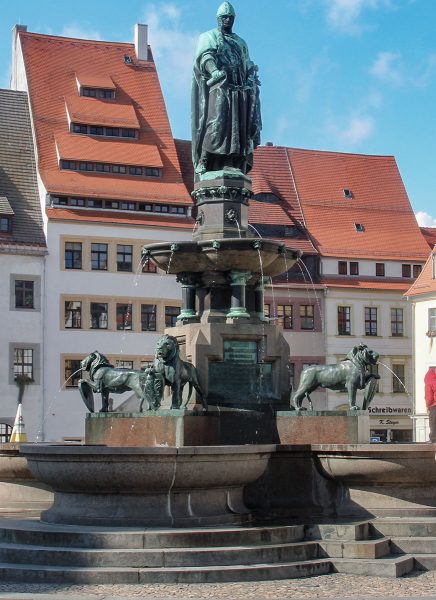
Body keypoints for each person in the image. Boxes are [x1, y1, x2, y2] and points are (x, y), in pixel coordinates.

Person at [192, 1, 262, 176]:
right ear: (218, 19)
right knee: (216, 122)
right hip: (220, 85)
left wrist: (252, 72)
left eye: (230, 17)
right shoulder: (209, 36)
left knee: (238, 127)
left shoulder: (240, 42)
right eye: (224, 17)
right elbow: (205, 56)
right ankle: (205, 160)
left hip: (240, 90)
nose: (227, 20)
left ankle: (233, 162)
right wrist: (214, 71)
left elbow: (246, 62)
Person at [425, 366, 436, 442]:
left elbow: (429, 396)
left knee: (433, 424)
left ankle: (433, 439)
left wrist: (428, 406)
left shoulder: (429, 382)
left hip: (434, 406)